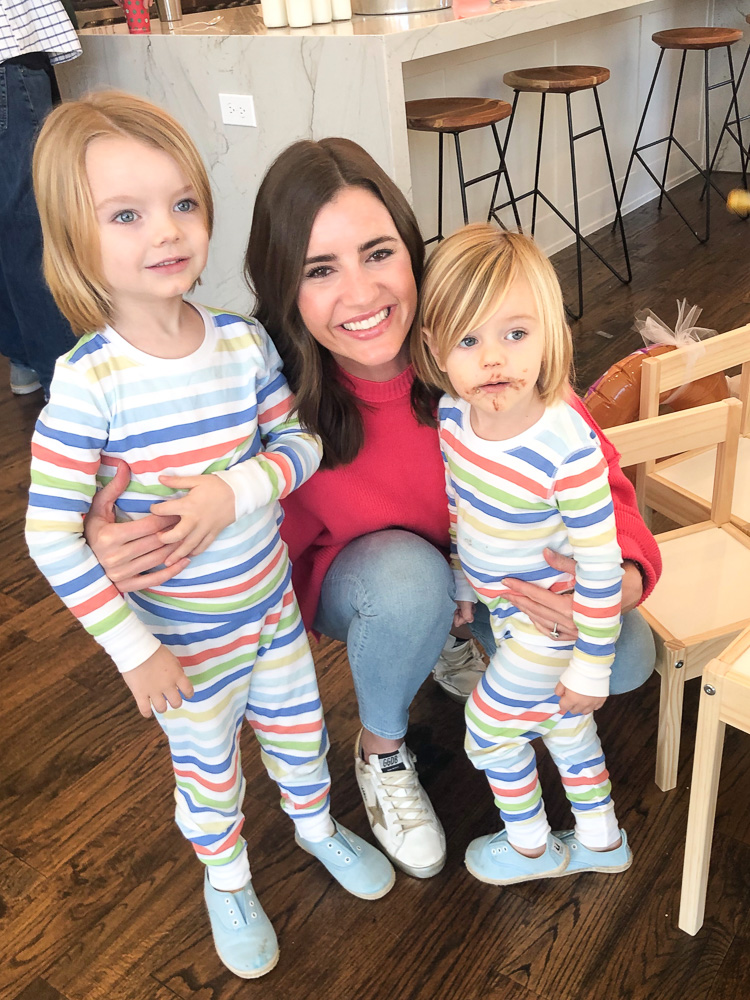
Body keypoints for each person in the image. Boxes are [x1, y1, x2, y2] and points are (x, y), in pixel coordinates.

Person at [82, 137, 662, 885]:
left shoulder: (481, 349)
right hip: (369, 583)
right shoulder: (262, 389)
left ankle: (449, 642)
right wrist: (111, 534)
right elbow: (165, 456)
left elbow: (597, 479)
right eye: (321, 270)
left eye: (378, 253)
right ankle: (382, 749)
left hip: (499, 578)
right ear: (284, 283)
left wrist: (622, 580)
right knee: (408, 581)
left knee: (627, 655)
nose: (359, 294)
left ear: (413, 255)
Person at [24, 93, 393, 981]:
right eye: (127, 213)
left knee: (300, 733)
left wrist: (235, 491)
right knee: (211, 770)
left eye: (183, 203)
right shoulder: (88, 386)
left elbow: (300, 444)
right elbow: (50, 536)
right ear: (76, 238)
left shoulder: (241, 344)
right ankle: (227, 878)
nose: (168, 231)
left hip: (269, 616)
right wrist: (133, 652)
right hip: (184, 650)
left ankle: (313, 828)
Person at [412, 224, 633, 884]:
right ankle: (601, 836)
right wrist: (459, 582)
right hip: (505, 616)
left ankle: (531, 846)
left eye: (516, 333)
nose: (494, 360)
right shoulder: (454, 418)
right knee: (563, 728)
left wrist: (592, 666)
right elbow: (462, 510)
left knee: (488, 730)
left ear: (548, 336)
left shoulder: (567, 445)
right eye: (469, 340)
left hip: (553, 624)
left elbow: (599, 563)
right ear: (435, 349)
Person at [0, 0, 79, 397]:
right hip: (7, 50)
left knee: (11, 225)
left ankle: (24, 357)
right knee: (31, 228)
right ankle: (65, 383)